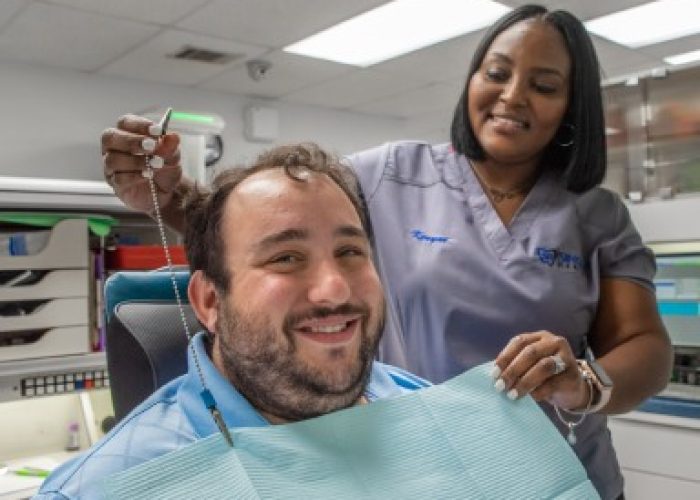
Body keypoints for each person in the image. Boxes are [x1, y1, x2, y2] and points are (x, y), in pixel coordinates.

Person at [100, 5, 672, 499]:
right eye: (495, 73)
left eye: (544, 86)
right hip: (418, 471)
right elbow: (265, 229)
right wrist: (167, 194)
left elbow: (645, 345)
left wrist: (585, 384)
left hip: (556, 473)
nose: (512, 95)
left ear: (573, 108)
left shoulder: (596, 215)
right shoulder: (391, 174)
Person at [36, 144, 429, 499]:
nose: (335, 290)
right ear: (209, 301)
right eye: (285, 258)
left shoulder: (430, 408)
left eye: (349, 251)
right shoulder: (104, 489)